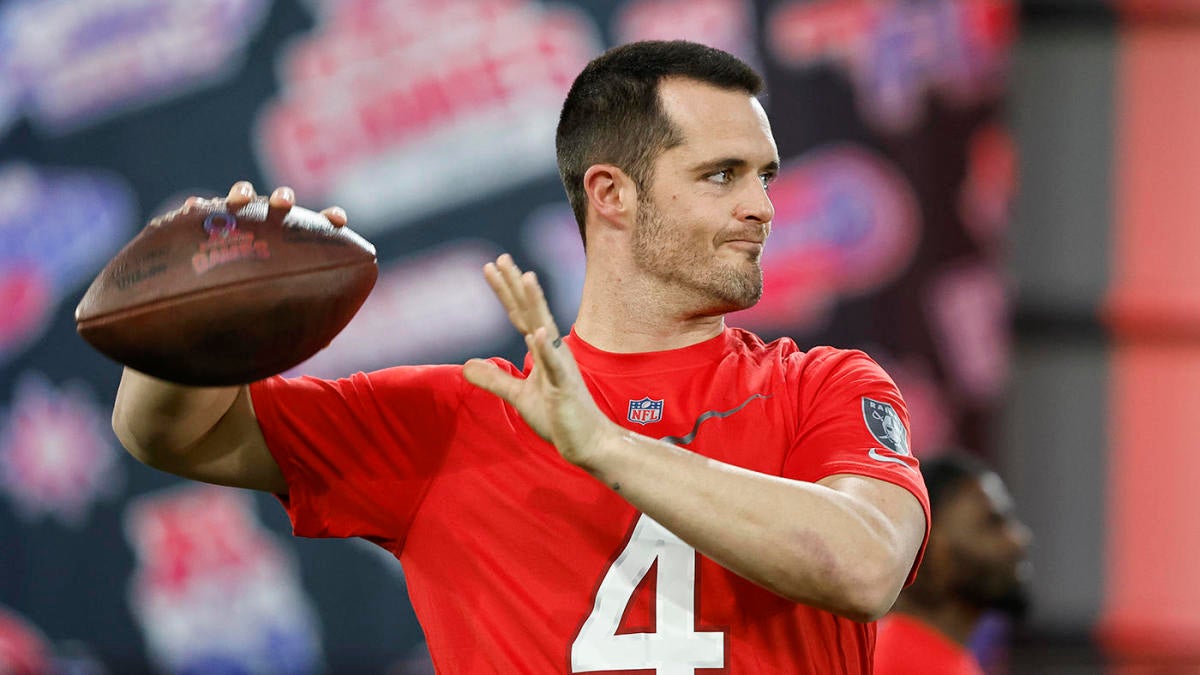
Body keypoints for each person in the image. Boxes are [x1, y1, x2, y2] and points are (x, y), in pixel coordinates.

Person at [113, 40, 930, 673]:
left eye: (766, 175)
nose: (761, 207)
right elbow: (168, 434)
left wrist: (604, 446)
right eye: (721, 175)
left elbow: (863, 567)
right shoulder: (456, 415)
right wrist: (194, 309)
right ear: (611, 193)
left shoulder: (825, 387)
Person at [874, 452, 1032, 675]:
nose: (1018, 540)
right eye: (992, 523)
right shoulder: (902, 665)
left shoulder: (944, 661)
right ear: (933, 550)